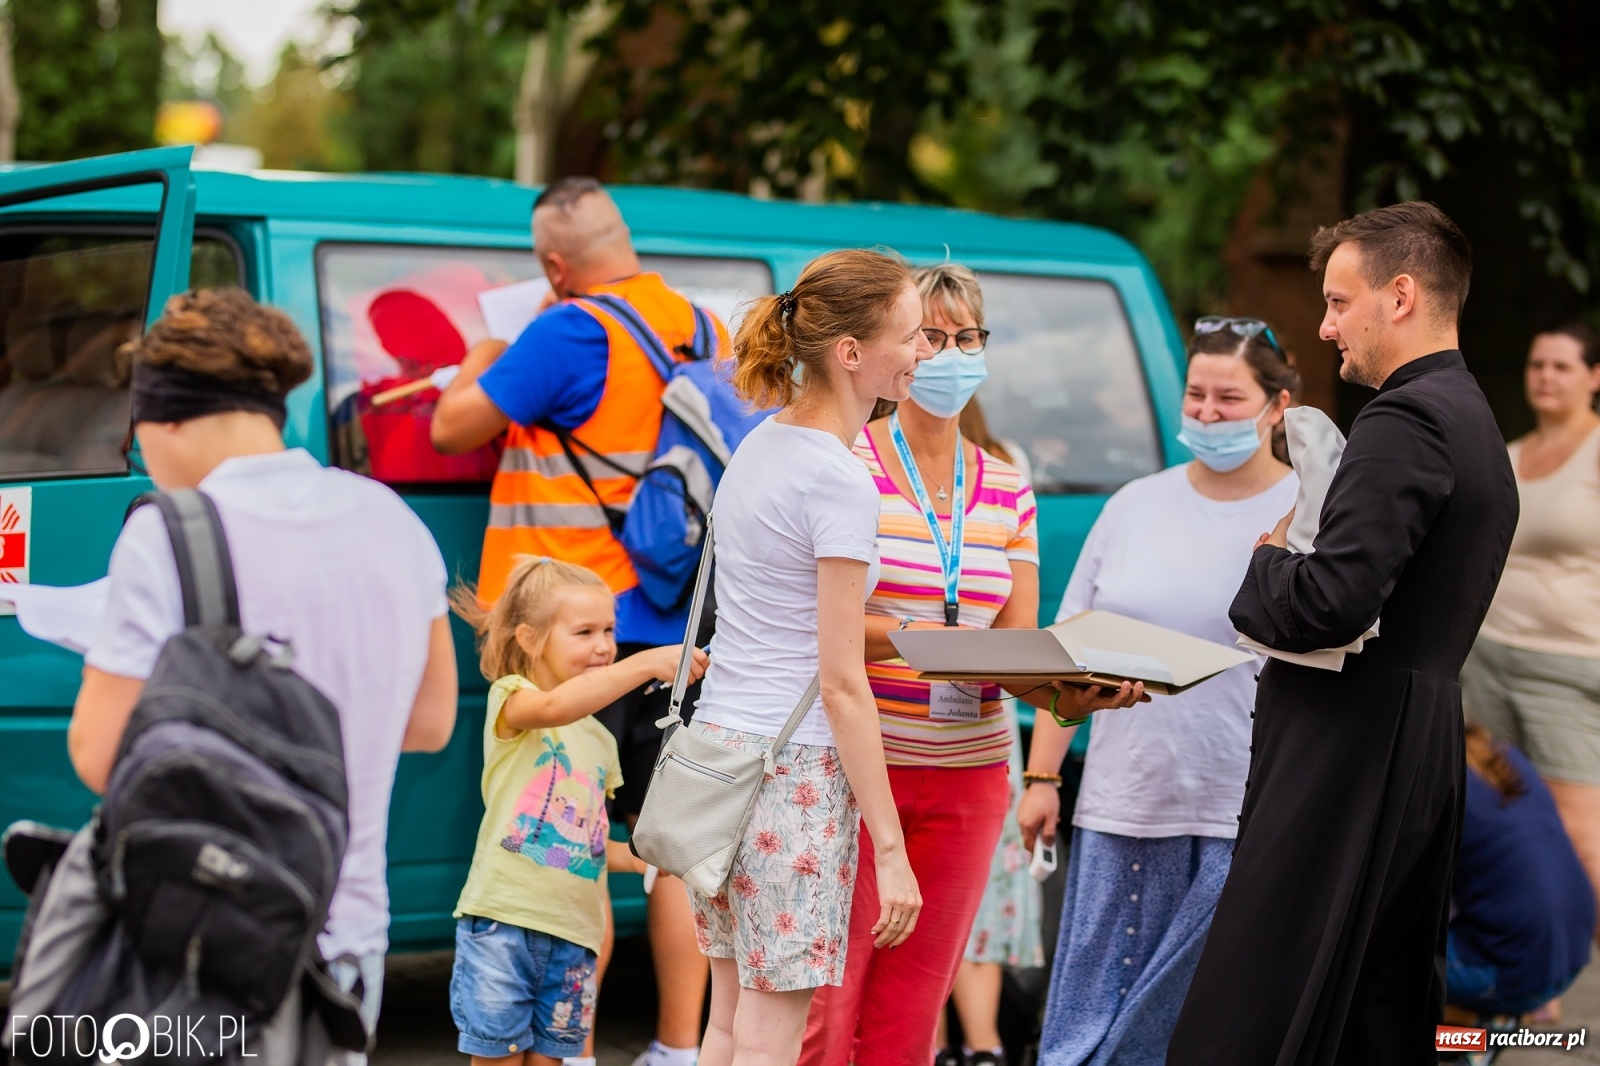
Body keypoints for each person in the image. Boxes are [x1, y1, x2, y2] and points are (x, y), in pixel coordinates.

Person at [1168, 202, 1520, 1065]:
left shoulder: (1405, 420)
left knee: (1256, 1005)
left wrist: (1267, 562)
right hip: (1415, 736)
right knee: (1370, 1005)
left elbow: (1332, 602)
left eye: (1337, 301)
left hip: (1350, 744)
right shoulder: (1472, 416)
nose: (1325, 327)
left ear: (1400, 296)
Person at [69, 288, 459, 1057]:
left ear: (166, 417)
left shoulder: (166, 535)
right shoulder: (392, 517)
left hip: (202, 935)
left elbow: (100, 756)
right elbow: (429, 722)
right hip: (347, 939)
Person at [431, 176, 724, 1066]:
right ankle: (677, 1047)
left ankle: (577, 1048)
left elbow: (451, 428)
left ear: (555, 267)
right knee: (672, 847)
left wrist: (485, 351)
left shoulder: (566, 329)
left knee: (578, 844)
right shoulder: (703, 326)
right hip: (678, 627)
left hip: (578, 634)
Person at [798, 262, 1085, 1066]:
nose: (950, 354)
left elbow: (1018, 647)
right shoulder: (848, 465)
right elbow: (820, 627)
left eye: (968, 337)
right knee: (828, 1008)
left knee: (912, 1012)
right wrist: (921, 636)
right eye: (930, 335)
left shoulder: (1009, 487)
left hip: (971, 775)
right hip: (862, 767)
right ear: (896, 345)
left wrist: (1083, 690)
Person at [1014, 318, 1299, 1066]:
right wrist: (1042, 778)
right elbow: (1070, 653)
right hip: (1127, 801)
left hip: (1244, 807)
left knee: (1203, 1025)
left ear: (1278, 406)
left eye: (1229, 399)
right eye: (1195, 395)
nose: (1206, 413)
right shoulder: (1133, 505)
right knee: (1091, 1019)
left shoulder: (1309, 513)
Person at [685, 248, 929, 1066]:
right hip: (792, 773)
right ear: (851, 352)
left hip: (717, 758)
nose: (923, 351)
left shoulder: (760, 445)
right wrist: (890, 849)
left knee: (726, 1024)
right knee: (770, 1038)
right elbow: (842, 682)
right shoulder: (838, 480)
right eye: (912, 335)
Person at [446, 555, 708, 1066]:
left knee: (552, 1059)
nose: (604, 645)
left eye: (609, 630)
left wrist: (646, 857)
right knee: (498, 1058)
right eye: (584, 632)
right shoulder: (513, 700)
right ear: (530, 639)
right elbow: (556, 707)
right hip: (505, 925)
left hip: (575, 936)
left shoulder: (600, 741)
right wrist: (644, 664)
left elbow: (586, 841)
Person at [1461, 321, 1600, 942]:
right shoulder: (1511, 455)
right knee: (1509, 819)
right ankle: (1536, 979)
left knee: (1583, 836)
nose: (1545, 376)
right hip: (1486, 660)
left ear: (1594, 377)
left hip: (1566, 668)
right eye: (1537, 364)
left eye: (1562, 366)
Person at [939, 400, 1044, 1066]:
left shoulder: (1004, 470)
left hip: (963, 702)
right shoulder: (1009, 464)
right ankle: (981, 1048)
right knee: (972, 883)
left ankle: (965, 1048)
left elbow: (1019, 628)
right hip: (980, 708)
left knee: (959, 883)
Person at [1447, 725, 1594, 1022]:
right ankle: (1506, 1013)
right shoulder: (1506, 755)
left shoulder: (1441, 781)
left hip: (1514, 970)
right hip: (1571, 954)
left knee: (1371, 960)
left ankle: (1472, 1032)